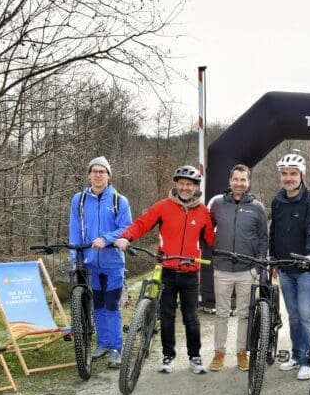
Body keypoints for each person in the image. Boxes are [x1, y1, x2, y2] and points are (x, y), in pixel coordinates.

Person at [114, 165, 215, 375]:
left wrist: (218, 227)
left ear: (196, 187)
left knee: (191, 317)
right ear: (176, 184)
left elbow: (210, 240)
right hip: (167, 269)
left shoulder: (203, 212)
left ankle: (195, 356)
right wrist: (125, 237)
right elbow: (142, 223)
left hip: (190, 272)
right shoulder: (163, 206)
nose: (185, 187)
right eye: (182, 183)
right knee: (166, 315)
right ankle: (168, 355)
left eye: (189, 184)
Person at [68, 156, 132, 367]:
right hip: (89, 262)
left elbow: (126, 228)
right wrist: (75, 256)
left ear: (108, 176)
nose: (98, 175)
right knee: (98, 304)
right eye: (94, 171)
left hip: (113, 262)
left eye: (102, 171)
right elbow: (75, 229)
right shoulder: (79, 200)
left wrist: (106, 239)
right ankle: (102, 344)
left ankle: (115, 348)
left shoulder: (119, 201)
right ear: (89, 175)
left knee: (112, 305)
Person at [207, 164, 268, 372]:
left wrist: (257, 267)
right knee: (221, 314)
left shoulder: (257, 207)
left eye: (243, 180)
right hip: (222, 269)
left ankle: (242, 353)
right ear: (230, 181)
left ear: (248, 182)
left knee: (244, 314)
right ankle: (219, 353)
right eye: (236, 179)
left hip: (246, 270)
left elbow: (263, 238)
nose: (239, 183)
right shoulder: (217, 204)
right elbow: (206, 230)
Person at [269, 152, 310, 381]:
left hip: (306, 270)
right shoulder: (277, 201)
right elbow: (274, 231)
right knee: (293, 315)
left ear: (302, 175)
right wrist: (273, 258)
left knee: (306, 314)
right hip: (285, 268)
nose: (288, 178)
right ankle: (297, 354)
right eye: (285, 174)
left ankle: (308, 360)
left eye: (293, 173)